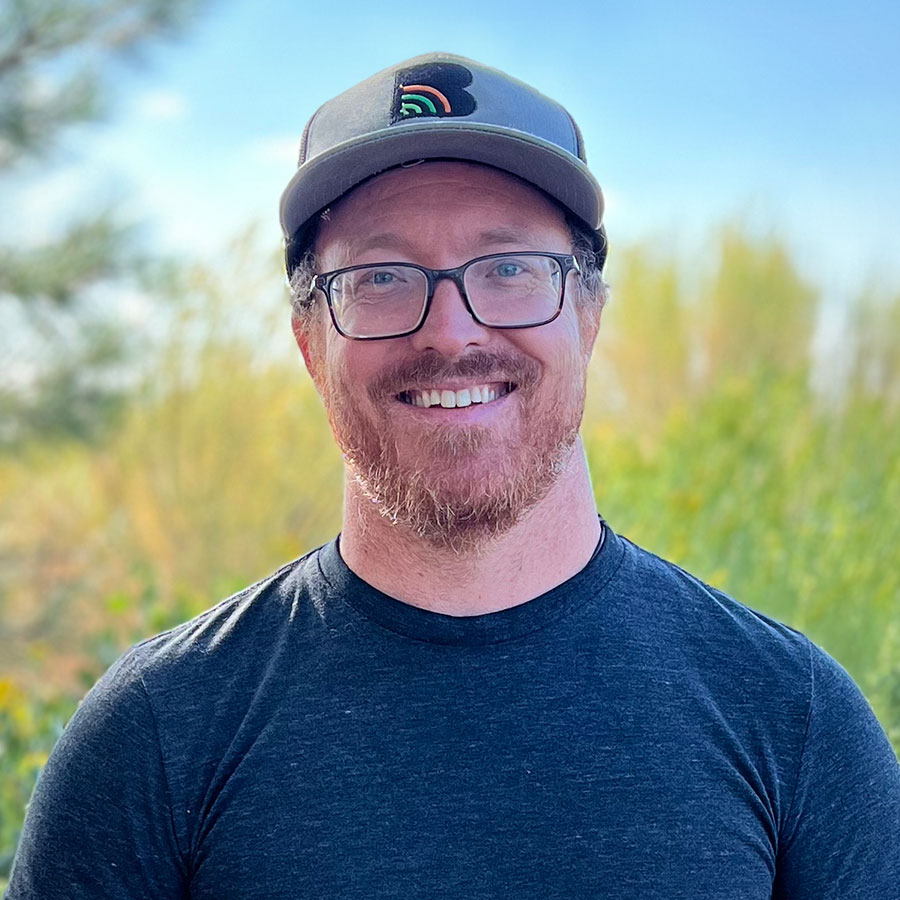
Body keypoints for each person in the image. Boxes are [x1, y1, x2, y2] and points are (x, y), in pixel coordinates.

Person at [6, 52, 900, 900]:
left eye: (510, 269)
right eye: (382, 278)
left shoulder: (793, 719)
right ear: (310, 342)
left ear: (589, 314)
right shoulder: (156, 734)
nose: (450, 332)